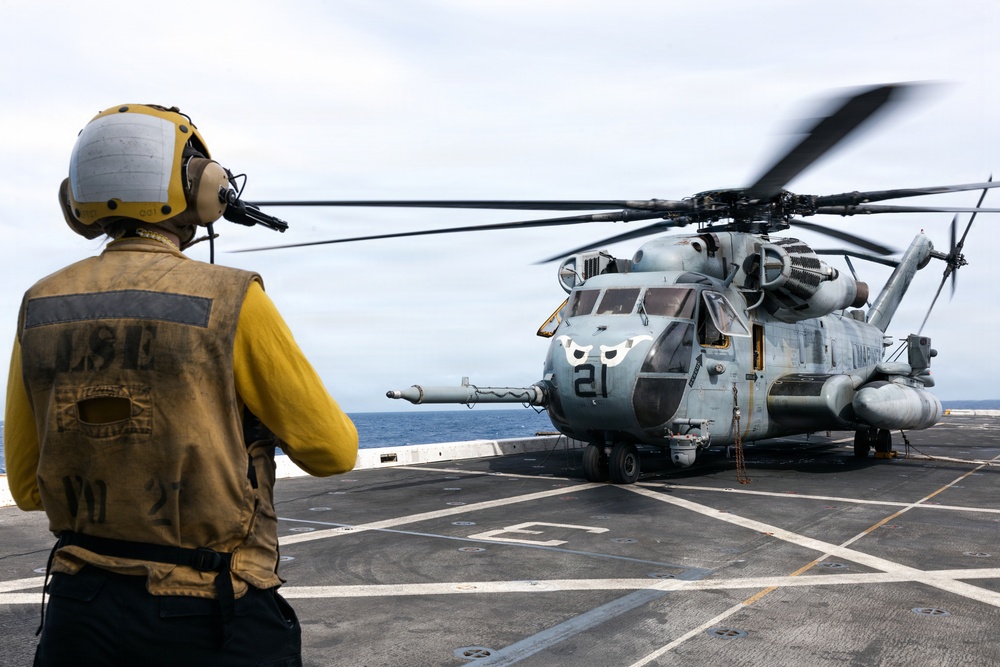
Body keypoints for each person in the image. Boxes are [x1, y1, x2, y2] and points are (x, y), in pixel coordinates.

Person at [3, 104, 359, 666]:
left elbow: (26, 488)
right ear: (201, 189)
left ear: (78, 198)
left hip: (80, 611)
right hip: (210, 613)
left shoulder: (39, 304)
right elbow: (333, 452)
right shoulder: (233, 298)